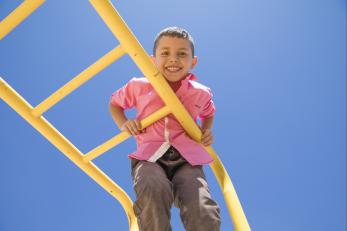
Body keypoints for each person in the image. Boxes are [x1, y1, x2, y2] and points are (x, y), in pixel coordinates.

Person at [109, 26, 221, 231]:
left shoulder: (201, 93)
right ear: (153, 60)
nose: (173, 59)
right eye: (165, 53)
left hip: (187, 160)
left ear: (193, 62)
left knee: (202, 209)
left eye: (182, 54)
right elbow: (115, 103)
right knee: (152, 189)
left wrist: (205, 130)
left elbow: (209, 112)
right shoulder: (139, 85)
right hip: (149, 156)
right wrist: (123, 123)